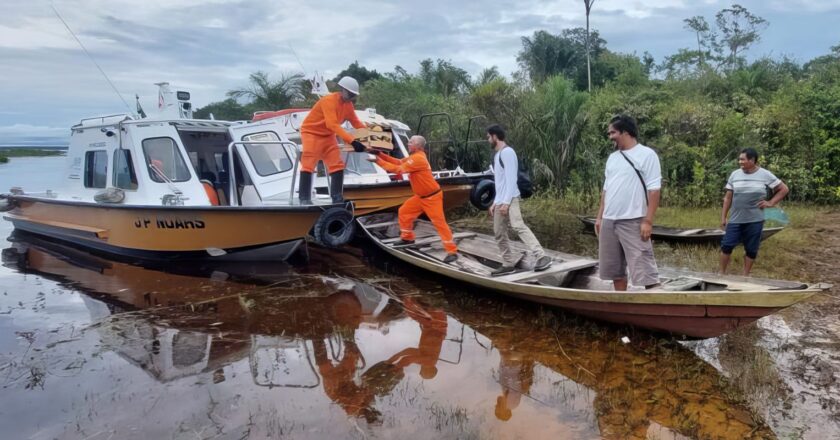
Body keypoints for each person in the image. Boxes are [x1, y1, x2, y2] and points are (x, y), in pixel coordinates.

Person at [595, 115, 661, 291]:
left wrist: (647, 221)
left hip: (633, 220)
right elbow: (606, 190)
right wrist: (600, 217)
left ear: (625, 132)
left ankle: (653, 308)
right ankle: (621, 303)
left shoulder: (647, 155)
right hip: (609, 221)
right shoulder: (612, 158)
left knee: (646, 271)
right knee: (615, 272)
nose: (610, 137)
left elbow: (654, 191)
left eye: (613, 133)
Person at [367, 135, 459, 263]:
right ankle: (407, 238)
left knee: (440, 224)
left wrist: (377, 160)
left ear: (419, 146)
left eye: (411, 141)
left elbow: (398, 169)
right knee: (404, 212)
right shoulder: (414, 157)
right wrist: (380, 154)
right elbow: (399, 162)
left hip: (432, 198)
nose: (408, 143)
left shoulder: (418, 159)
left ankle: (452, 252)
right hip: (420, 197)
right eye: (409, 141)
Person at [486, 124, 551, 276]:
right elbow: (500, 182)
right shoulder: (497, 155)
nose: (488, 140)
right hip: (501, 199)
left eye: (489, 137)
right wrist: (496, 202)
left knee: (518, 226)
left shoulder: (508, 153)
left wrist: (507, 202)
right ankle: (508, 263)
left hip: (511, 197)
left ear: (495, 136)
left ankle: (541, 256)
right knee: (499, 233)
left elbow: (511, 179)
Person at [719, 148, 789, 276]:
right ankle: (722, 274)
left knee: (751, 249)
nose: (740, 162)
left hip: (755, 219)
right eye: (739, 159)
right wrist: (723, 217)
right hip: (736, 219)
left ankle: (745, 275)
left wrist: (771, 202)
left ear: (752, 160)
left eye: (742, 159)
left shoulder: (765, 174)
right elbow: (728, 198)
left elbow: (783, 189)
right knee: (726, 246)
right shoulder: (735, 174)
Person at [298, 76, 367, 204]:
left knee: (337, 165)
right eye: (350, 93)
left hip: (328, 135)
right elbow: (332, 124)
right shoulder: (328, 101)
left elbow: (356, 122)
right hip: (311, 133)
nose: (352, 96)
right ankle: (304, 198)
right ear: (343, 89)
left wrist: (371, 133)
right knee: (309, 163)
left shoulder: (348, 105)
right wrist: (352, 141)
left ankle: (337, 198)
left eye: (353, 94)